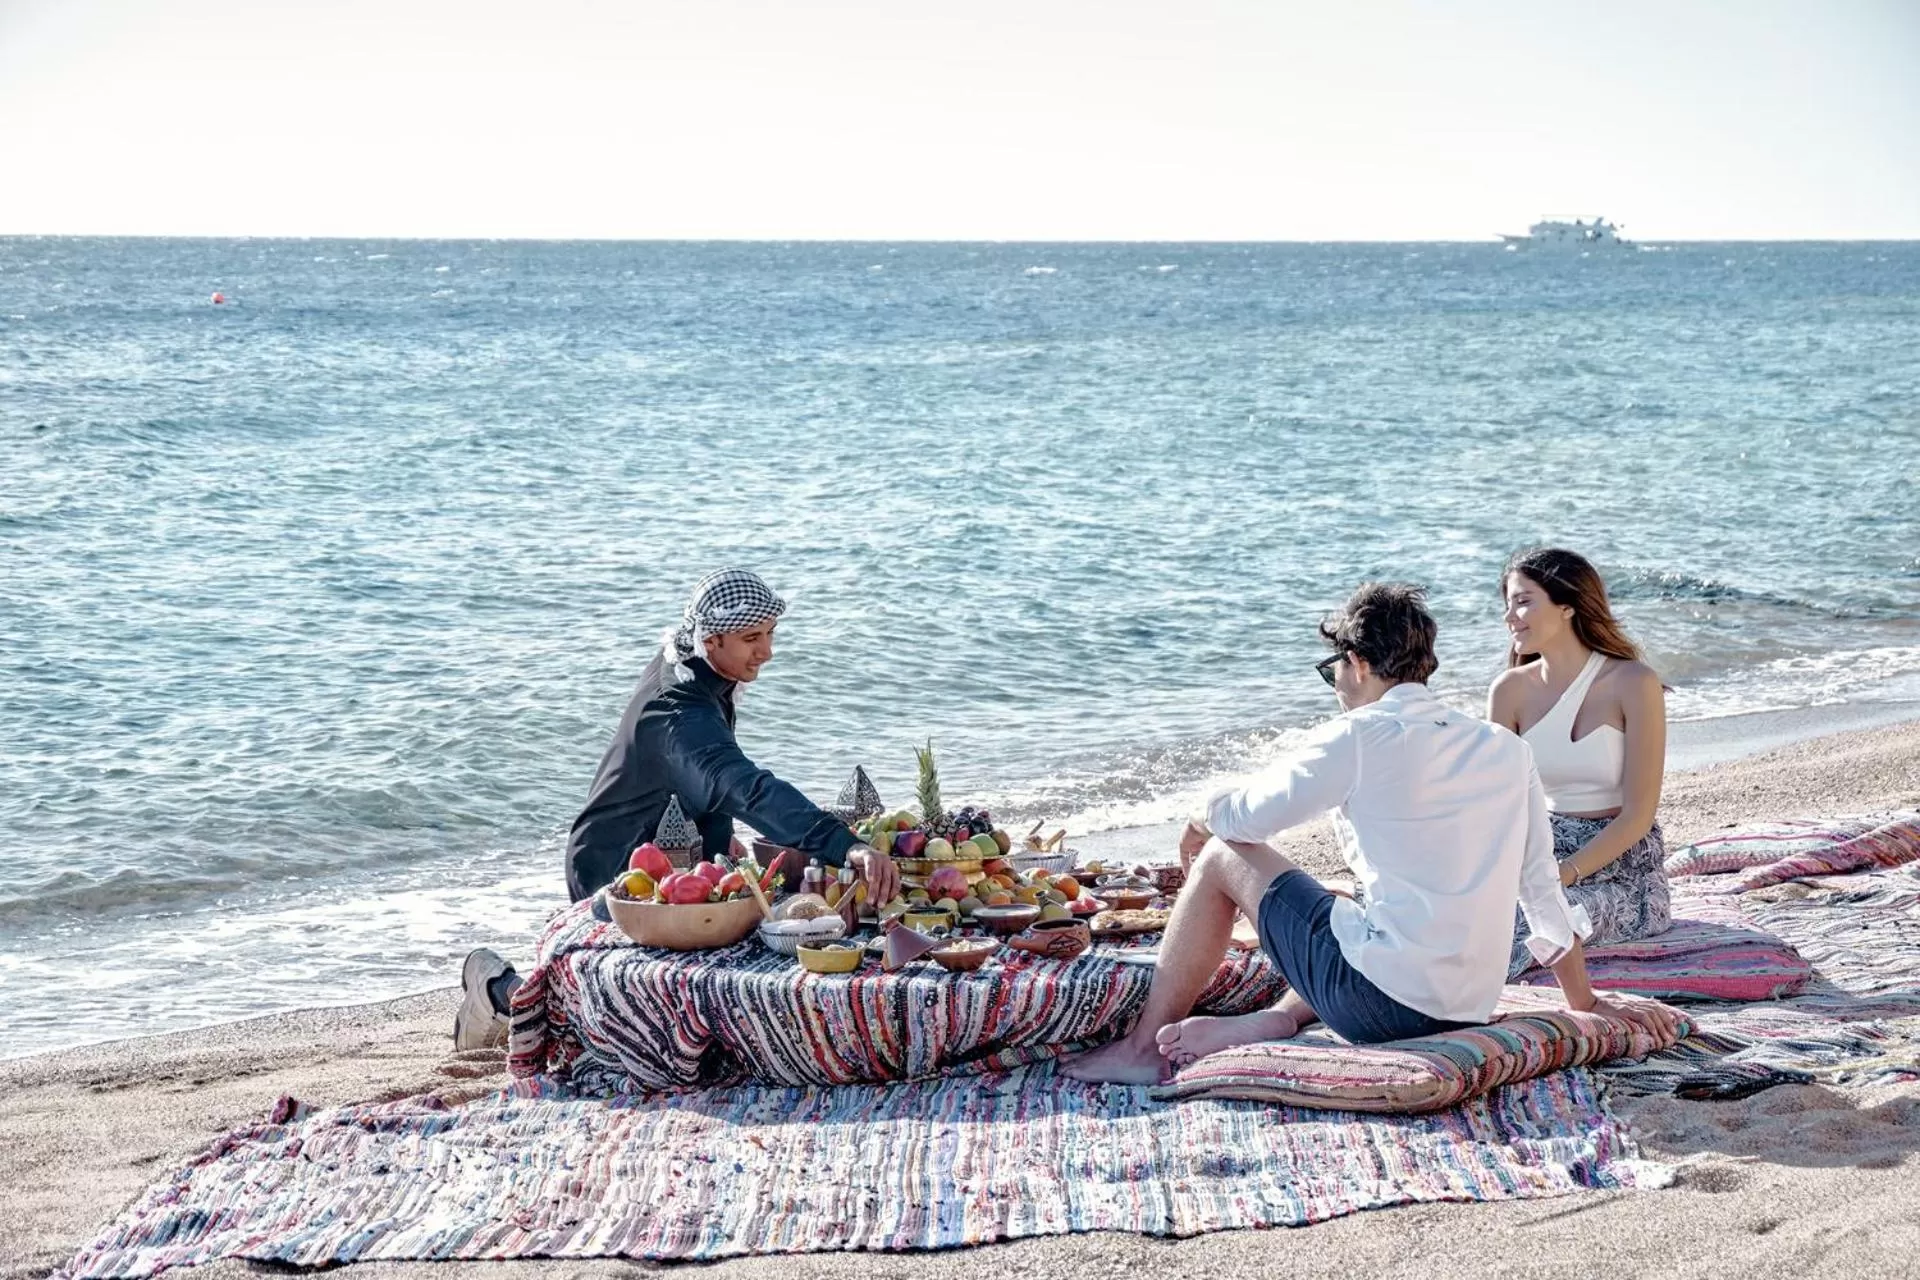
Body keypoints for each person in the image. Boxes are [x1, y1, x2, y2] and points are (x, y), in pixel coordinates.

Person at [1066, 583, 1679, 1085]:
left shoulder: (1360, 734)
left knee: (1226, 855)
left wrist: (1202, 818)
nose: (1335, 681)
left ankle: (1143, 1047)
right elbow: (1541, 888)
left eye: (1333, 667)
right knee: (1346, 902)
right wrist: (1585, 1002)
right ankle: (1278, 1020)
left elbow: (1248, 820)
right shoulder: (1502, 748)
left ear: (1356, 663)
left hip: (1379, 1010)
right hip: (1463, 1008)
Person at [454, 568, 900, 1049]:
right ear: (710, 638)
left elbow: (697, 780)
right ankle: (499, 992)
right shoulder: (681, 710)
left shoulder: (693, 665)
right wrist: (845, 846)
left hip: (684, 866)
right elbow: (746, 787)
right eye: (752, 637)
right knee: (622, 1024)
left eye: (771, 634)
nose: (766, 652)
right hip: (618, 871)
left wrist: (719, 836)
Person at [1489, 548, 1670, 978]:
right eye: (1507, 603)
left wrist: (1563, 875)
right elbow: (1498, 803)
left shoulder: (1633, 682)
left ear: (1567, 606)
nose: (1509, 616)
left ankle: (1432, 1003)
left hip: (1622, 868)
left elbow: (1638, 816)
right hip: (1541, 849)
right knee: (1448, 912)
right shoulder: (1509, 691)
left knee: (1532, 924)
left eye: (1523, 601)